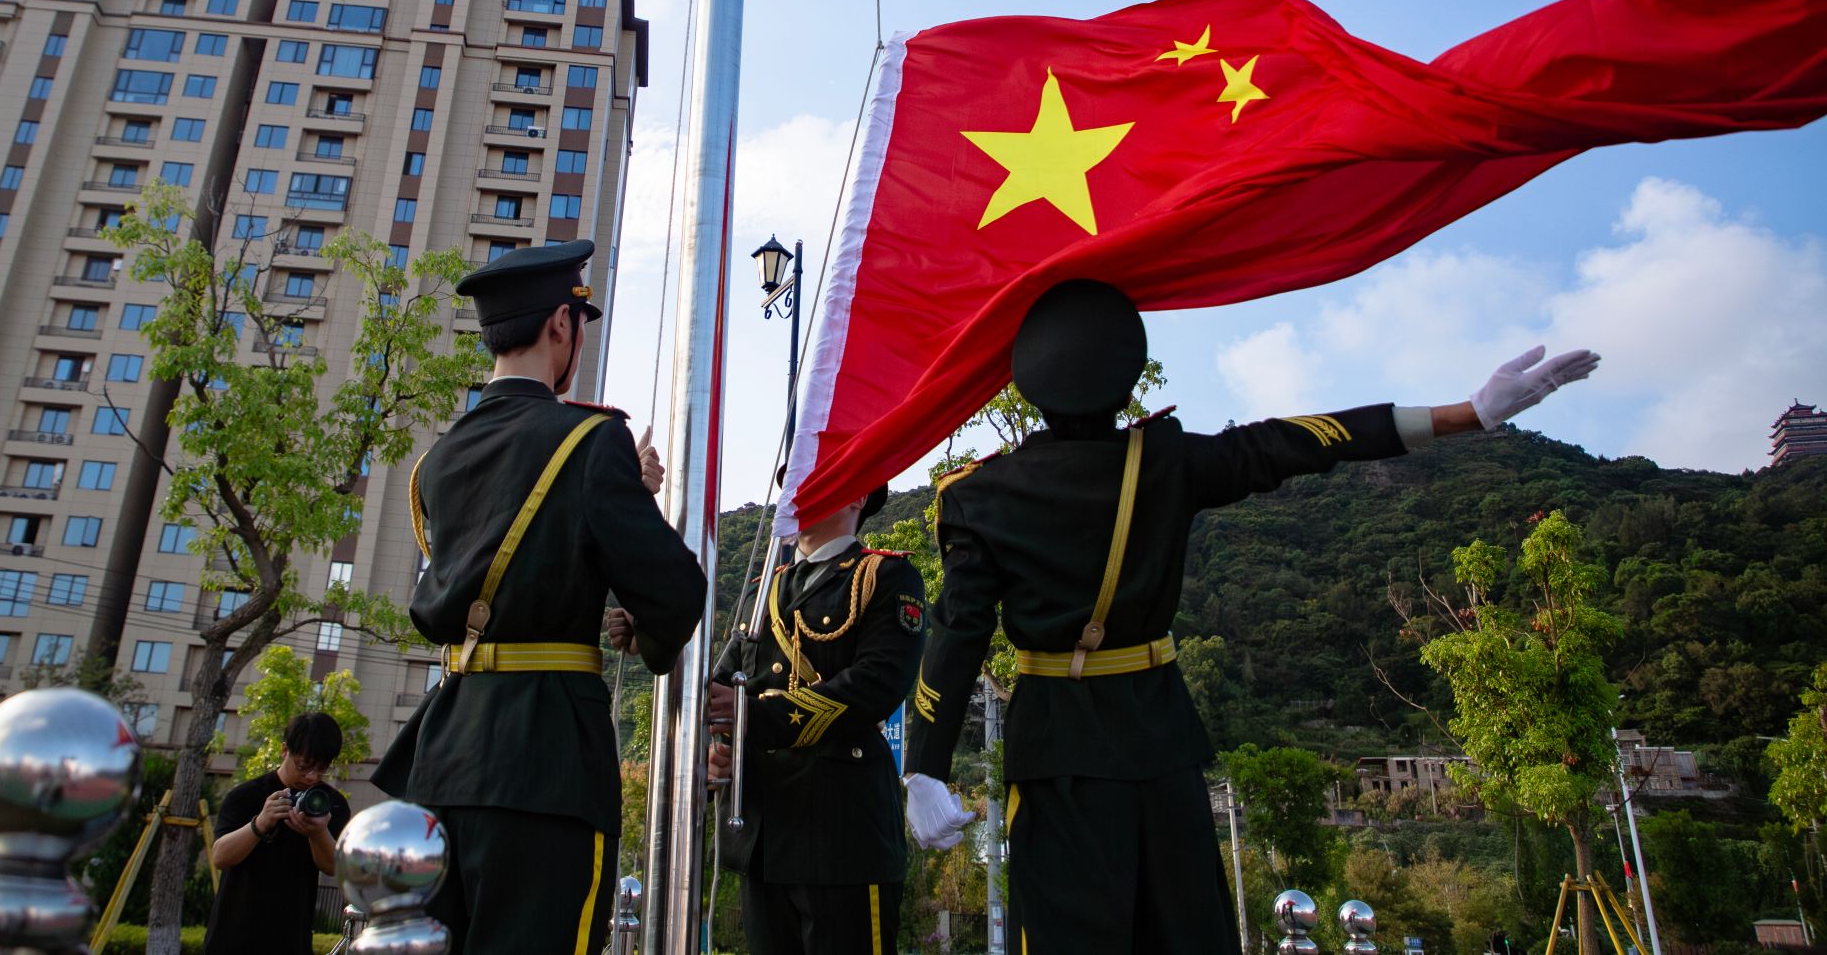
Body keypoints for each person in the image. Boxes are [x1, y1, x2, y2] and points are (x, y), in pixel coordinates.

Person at [901, 279, 1600, 952]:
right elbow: (1291, 442)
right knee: (1188, 934)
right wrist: (1465, 413)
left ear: (1027, 382)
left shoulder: (977, 496)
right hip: (1161, 738)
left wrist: (924, 768)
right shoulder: (1164, 461)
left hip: (1055, 750)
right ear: (1127, 377)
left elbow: (959, 633)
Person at [372, 240, 705, 954]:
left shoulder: (438, 459)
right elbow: (675, 594)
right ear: (562, 322)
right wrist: (647, 637)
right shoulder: (591, 439)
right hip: (547, 763)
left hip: (441, 759)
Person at [704, 483, 926, 955]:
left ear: (857, 495)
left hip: (842, 831)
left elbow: (875, 686)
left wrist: (753, 717)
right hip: (763, 832)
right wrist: (713, 749)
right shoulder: (764, 589)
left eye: (816, 475)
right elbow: (721, 691)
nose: (798, 490)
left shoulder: (885, 576)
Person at [203, 711, 351, 955]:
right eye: (303, 766)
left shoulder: (329, 804)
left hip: (291, 940)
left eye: (321, 769)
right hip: (232, 938)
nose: (311, 777)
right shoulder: (246, 795)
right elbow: (220, 856)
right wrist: (259, 824)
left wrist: (318, 833)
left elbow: (335, 867)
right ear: (285, 751)